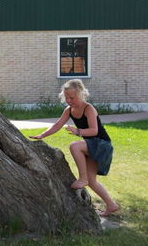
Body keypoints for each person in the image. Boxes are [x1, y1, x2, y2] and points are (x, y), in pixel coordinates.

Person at [29, 79, 119, 217]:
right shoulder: (69, 110)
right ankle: (111, 205)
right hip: (91, 145)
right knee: (92, 181)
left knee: (75, 146)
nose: (69, 100)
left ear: (81, 94)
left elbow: (94, 131)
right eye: (66, 97)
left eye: (72, 97)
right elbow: (58, 124)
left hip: (102, 144)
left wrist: (78, 132)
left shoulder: (89, 108)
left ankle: (82, 178)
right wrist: (42, 134)